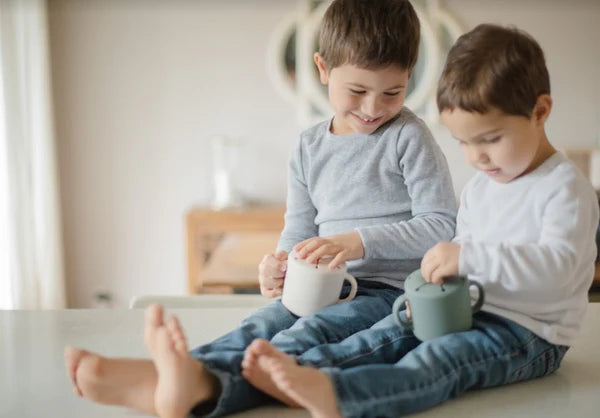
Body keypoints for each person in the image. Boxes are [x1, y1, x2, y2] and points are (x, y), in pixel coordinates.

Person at [64, 1, 456, 417]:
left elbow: (440, 226)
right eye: (357, 91)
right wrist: (282, 263)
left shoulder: (409, 137)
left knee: (311, 334)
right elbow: (300, 226)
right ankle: (174, 376)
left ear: (409, 78)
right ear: (323, 69)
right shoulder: (309, 147)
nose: (373, 108)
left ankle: (202, 387)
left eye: (392, 92)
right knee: (260, 324)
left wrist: (356, 243)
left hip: (389, 292)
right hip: (321, 287)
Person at [240, 23, 600, 418]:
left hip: (530, 333)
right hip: (471, 309)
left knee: (440, 360)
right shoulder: (484, 186)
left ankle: (338, 395)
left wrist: (465, 260)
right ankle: (298, 373)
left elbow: (559, 270)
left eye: (490, 139)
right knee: (384, 334)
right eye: (464, 143)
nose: (476, 158)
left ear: (540, 111)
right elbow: (465, 259)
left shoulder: (565, 188)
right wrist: (435, 287)